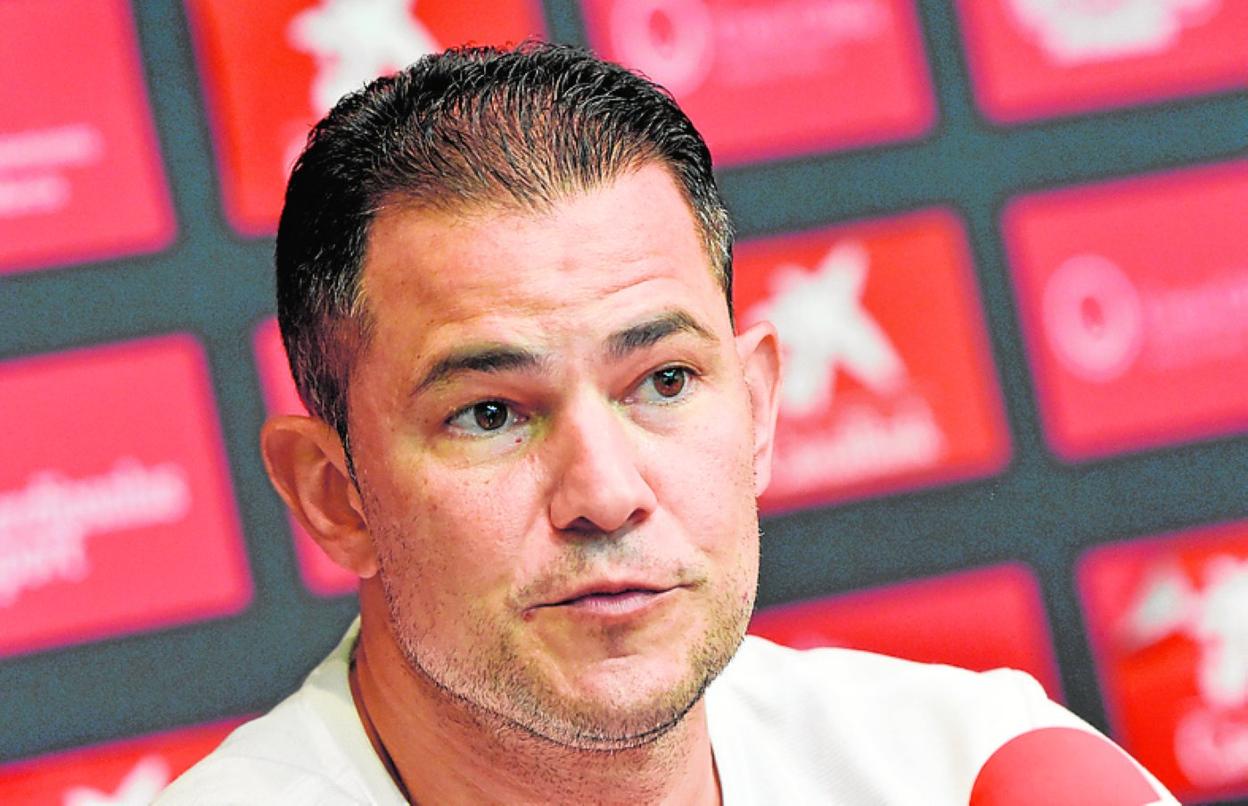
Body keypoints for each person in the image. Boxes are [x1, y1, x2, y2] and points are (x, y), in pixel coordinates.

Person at [159, 43, 1175, 804]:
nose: (606, 494)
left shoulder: (967, 772)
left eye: (665, 381)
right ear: (334, 496)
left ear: (758, 409)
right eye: (490, 413)